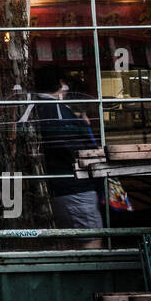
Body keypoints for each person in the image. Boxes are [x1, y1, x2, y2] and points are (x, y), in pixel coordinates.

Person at [22, 65, 102, 241]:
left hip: (63, 185)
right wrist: (85, 136)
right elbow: (66, 145)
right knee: (92, 241)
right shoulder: (55, 109)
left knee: (72, 241)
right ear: (60, 83)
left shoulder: (40, 107)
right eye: (65, 82)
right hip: (73, 186)